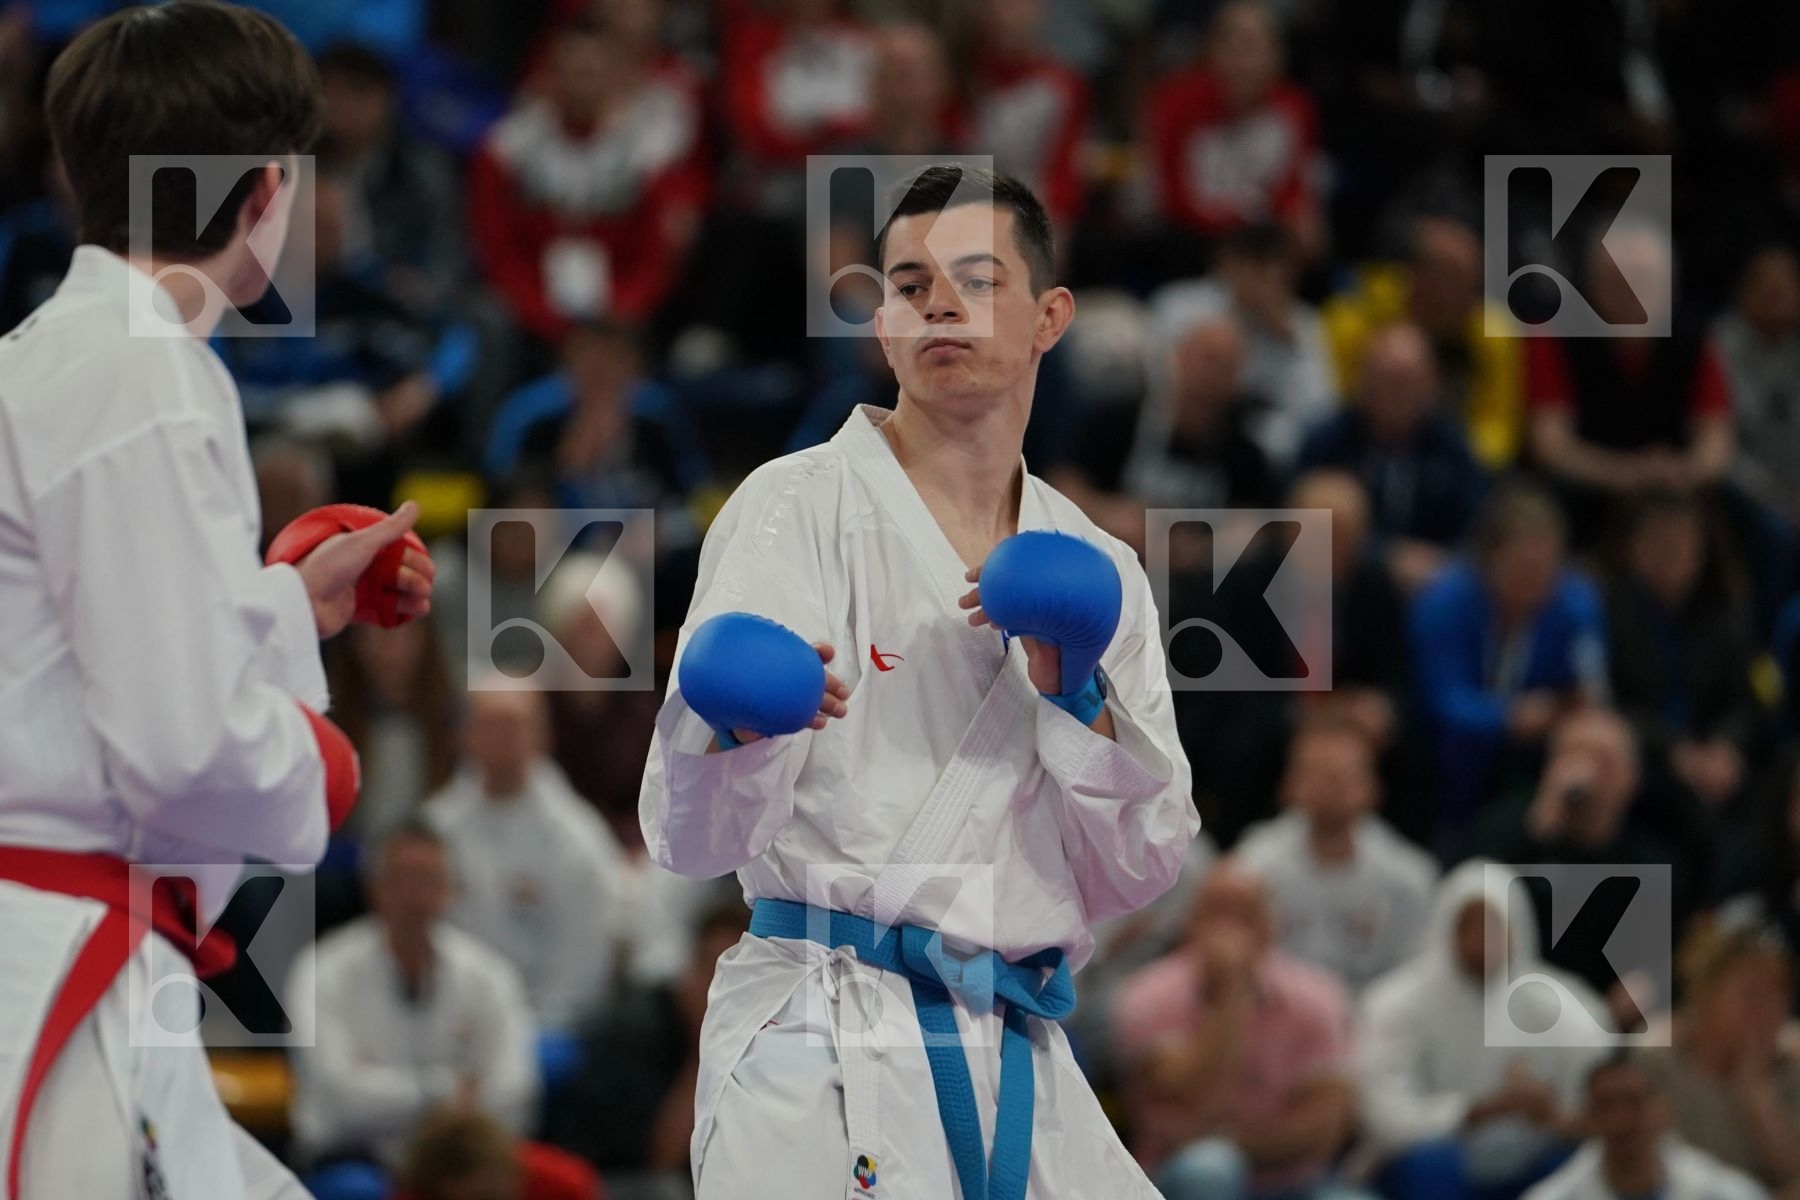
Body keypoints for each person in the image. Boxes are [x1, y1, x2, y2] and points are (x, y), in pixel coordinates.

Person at [640, 165, 1197, 1199]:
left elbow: (1144, 862)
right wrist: (741, 728)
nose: (938, 305)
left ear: (1050, 317)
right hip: (821, 1035)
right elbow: (694, 841)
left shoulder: (1098, 565)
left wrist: (1081, 698)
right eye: (908, 284)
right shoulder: (791, 507)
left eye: (977, 281)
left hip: (1012, 1040)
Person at [0, 6, 431, 1197]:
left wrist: (287, 609)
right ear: (264, 198)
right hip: (58, 946)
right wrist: (314, 760)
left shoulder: (52, 354)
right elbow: (180, 746)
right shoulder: (149, 371)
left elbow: (77, 653)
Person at [287, 823, 539, 1186]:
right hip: (361, 1155)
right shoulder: (322, 973)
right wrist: (446, 1091)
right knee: (355, 1190)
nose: (416, 893)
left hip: (467, 1156)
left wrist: (395, 1098)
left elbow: (515, 1090)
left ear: (451, 887)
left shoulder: (489, 975)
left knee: (566, 1181)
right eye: (403, 877)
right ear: (374, 887)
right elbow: (341, 1100)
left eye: (429, 877)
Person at [1111, 862, 1365, 1199]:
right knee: (1211, 1168)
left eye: (1244, 916)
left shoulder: (1320, 996)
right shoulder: (1147, 995)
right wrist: (1231, 994)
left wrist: (1224, 1135)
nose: (1229, 933)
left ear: (1270, 925)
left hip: (1292, 1181)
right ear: (1191, 923)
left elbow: (1326, 1126)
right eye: (1216, 915)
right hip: (1177, 1174)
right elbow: (1182, 1097)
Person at [1357, 860, 1605, 1200]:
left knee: (1581, 1164)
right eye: (1471, 926)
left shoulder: (1563, 1006)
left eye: (1495, 926)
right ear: (1445, 928)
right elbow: (1385, 1116)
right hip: (1435, 1169)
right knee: (1432, 1163)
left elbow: (1602, 1092)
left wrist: (1558, 1117)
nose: (1483, 939)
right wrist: (1477, 1112)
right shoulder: (1395, 1005)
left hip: (1531, 1166)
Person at [1410, 482, 1608, 845]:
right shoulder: (1444, 601)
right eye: (1522, 569)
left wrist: (1573, 708)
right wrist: (1507, 717)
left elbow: (1592, 688)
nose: (1535, 583)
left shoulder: (1577, 604)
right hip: (1453, 749)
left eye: (1547, 570)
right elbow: (1439, 697)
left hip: (1537, 747)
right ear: (1488, 560)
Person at [1478, 707, 1699, 1028]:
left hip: (1608, 1026)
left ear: (1630, 778)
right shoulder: (1506, 835)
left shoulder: (1655, 862)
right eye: (1571, 756)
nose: (1587, 774)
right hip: (1511, 1017)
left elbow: (1684, 953)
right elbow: (1465, 902)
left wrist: (1654, 983)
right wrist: (1540, 827)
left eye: (1603, 762)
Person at [427, 685, 627, 1034]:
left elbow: (587, 952)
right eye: (489, 725)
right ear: (463, 734)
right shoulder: (434, 831)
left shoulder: (577, 837)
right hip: (448, 1023)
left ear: (542, 735)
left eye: (514, 726)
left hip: (546, 1023)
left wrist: (543, 1025)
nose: (502, 739)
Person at [1235, 717, 1437, 994]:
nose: (1329, 787)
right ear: (1289, 783)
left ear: (1373, 786)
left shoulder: (1408, 879)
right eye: (1315, 773)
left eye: (1342, 775)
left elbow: (1414, 981)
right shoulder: (1250, 870)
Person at [1322, 217, 1528, 470]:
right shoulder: (1353, 320)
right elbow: (1336, 403)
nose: (1471, 295)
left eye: (1475, 281)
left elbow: (1497, 429)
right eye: (1455, 280)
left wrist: (1457, 461)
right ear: (1415, 276)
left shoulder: (1494, 332)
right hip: (1363, 454)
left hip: (1454, 468)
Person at [1297, 320, 1486, 592]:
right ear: (1362, 380)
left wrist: (1442, 563)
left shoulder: (1452, 447)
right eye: (1385, 380)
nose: (1396, 394)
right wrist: (1385, 557)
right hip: (1344, 581)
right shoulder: (1327, 441)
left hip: (1433, 583)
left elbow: (1476, 526)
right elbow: (1301, 522)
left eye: (1407, 382)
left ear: (1431, 386)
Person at [1150, 223, 1338, 473]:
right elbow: (1151, 384)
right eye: (1251, 266)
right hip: (1179, 432)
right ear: (1227, 263)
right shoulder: (1180, 306)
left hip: (1256, 455)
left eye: (1270, 270)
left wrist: (1288, 342)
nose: (1259, 282)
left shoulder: (1303, 327)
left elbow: (1320, 413)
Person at [1635, 919, 1800, 1195]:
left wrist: (1756, 1095)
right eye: (1751, 994)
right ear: (1705, 995)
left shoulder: (1792, 1065)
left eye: (1779, 994)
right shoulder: (1657, 1061)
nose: (1769, 1010)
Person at [1523, 1055, 1767, 1200]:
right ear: (1587, 1118)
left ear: (1663, 1110)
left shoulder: (1721, 1193)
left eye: (1634, 1102)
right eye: (1604, 1106)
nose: (1620, 1120)